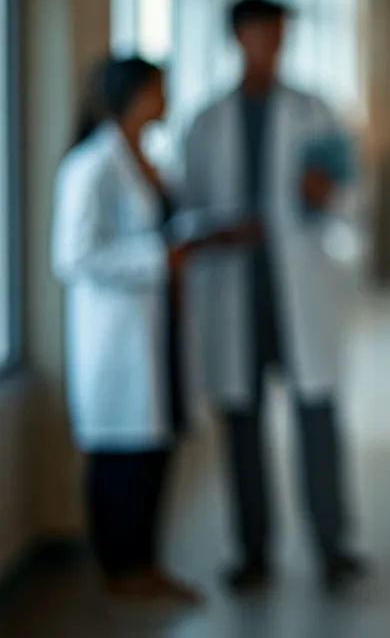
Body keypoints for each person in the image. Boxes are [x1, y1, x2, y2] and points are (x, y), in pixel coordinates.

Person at [180, 0, 367, 594]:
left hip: (300, 292)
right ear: (238, 38)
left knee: (317, 419)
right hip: (238, 292)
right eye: (262, 34)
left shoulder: (315, 112)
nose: (271, 45)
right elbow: (189, 212)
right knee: (243, 426)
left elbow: (351, 194)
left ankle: (332, 547)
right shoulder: (205, 122)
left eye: (280, 35)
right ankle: (253, 551)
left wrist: (325, 193)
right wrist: (219, 228)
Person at [52, 57, 247, 604]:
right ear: (133, 96)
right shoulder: (90, 166)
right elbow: (73, 257)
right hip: (117, 338)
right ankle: (122, 568)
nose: (167, 99)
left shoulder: (146, 160)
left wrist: (195, 241)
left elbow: (159, 228)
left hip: (158, 328)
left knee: (156, 450)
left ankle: (146, 564)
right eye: (159, 90)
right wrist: (159, 257)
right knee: (121, 458)